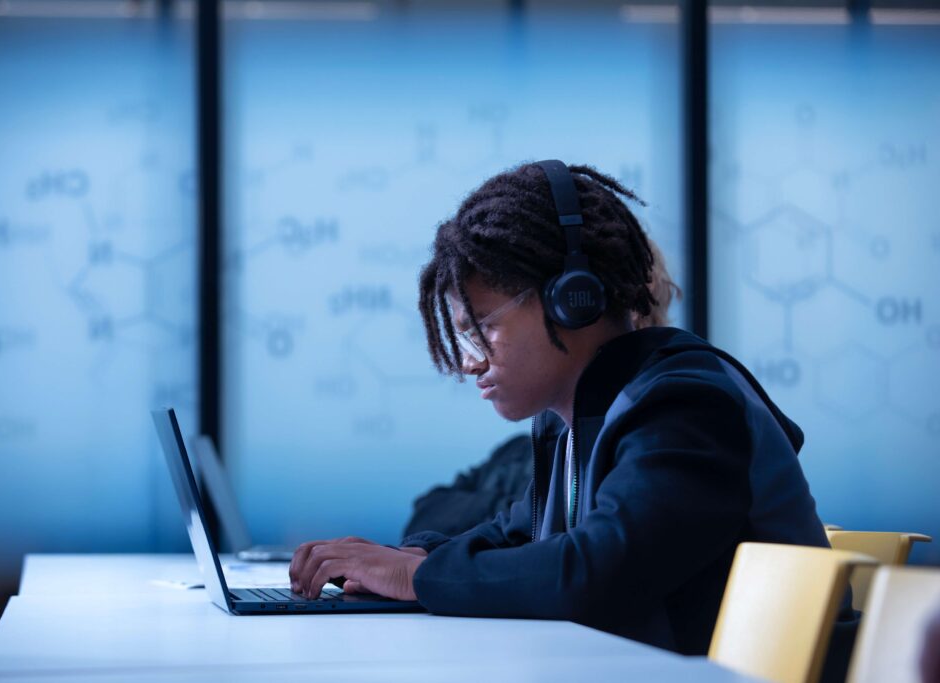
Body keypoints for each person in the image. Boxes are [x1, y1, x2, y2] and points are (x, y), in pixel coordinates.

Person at [289, 160, 839, 663]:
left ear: (572, 300)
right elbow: (516, 535)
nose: (467, 362)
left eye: (483, 330)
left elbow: (598, 572)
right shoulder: (577, 420)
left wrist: (419, 576)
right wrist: (397, 558)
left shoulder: (686, 405)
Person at [402, 230, 682, 539]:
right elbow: (427, 513)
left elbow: (593, 564)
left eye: (485, 326)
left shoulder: (672, 418)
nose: (470, 364)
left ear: (578, 305)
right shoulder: (546, 441)